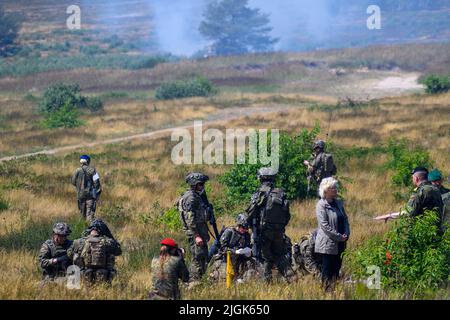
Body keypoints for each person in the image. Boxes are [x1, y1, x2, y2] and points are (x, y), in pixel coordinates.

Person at [245, 167, 291, 282]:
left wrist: (249, 225)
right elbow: (287, 215)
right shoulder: (281, 193)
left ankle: (266, 282)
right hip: (279, 231)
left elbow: (250, 212)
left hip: (264, 232)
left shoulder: (260, 193)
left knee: (264, 257)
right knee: (280, 255)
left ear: (260, 178)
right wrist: (280, 227)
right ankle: (291, 277)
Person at [177, 172, 214, 281]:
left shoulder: (197, 196)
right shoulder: (191, 198)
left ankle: (199, 279)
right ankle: (194, 282)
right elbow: (190, 219)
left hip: (200, 231)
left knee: (202, 257)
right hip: (195, 233)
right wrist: (197, 235)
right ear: (194, 184)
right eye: (201, 184)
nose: (203, 186)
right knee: (198, 258)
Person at [375, 167, 444, 226]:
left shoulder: (420, 191)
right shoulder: (436, 189)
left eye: (412, 177)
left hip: (423, 230)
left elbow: (408, 212)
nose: (412, 179)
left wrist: (389, 216)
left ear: (416, 178)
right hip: (436, 228)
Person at [315, 177, 350, 291]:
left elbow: (345, 219)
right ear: (326, 190)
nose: (336, 190)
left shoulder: (339, 203)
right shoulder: (321, 205)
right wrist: (339, 237)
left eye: (336, 187)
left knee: (336, 270)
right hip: (328, 244)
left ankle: (334, 292)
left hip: (341, 243)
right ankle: (326, 293)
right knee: (327, 271)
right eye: (333, 188)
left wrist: (347, 233)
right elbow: (325, 226)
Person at [67, 219, 121, 285]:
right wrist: (110, 236)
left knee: (76, 256)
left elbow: (69, 253)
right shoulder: (108, 242)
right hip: (104, 277)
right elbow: (118, 251)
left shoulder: (79, 241)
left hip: (84, 276)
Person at [209, 214, 253, 281]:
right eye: (243, 228)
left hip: (240, 259)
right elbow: (222, 248)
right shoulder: (229, 232)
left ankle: (241, 278)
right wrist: (234, 251)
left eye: (246, 228)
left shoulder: (246, 235)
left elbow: (248, 246)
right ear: (238, 225)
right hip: (226, 258)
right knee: (225, 277)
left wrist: (248, 252)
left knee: (251, 267)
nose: (245, 230)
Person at [71, 154, 102, 221]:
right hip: (90, 196)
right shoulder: (93, 170)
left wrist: (79, 187)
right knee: (89, 215)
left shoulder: (77, 171)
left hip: (80, 196)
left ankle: (83, 229)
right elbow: (97, 183)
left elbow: (73, 182)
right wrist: (97, 194)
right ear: (88, 161)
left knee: (82, 214)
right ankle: (89, 229)